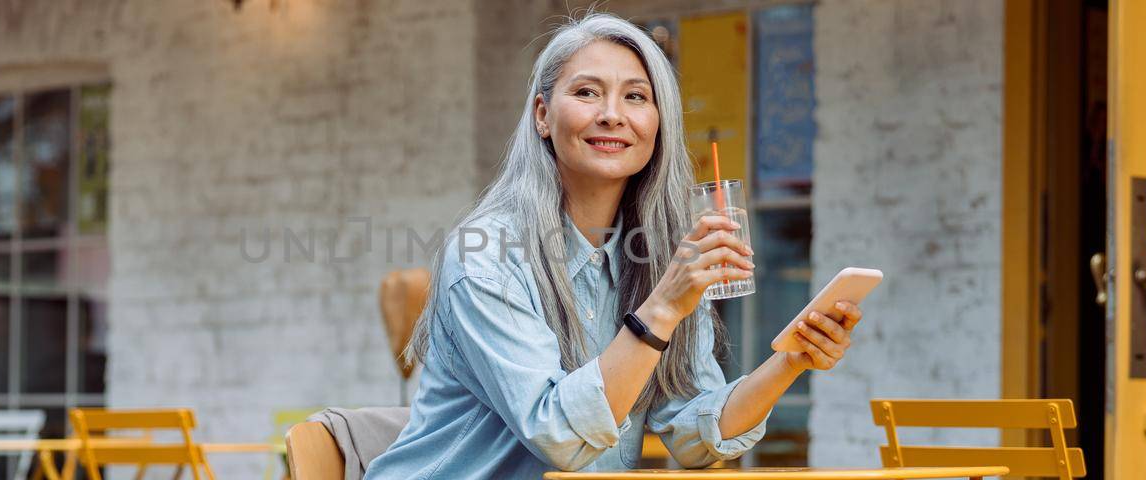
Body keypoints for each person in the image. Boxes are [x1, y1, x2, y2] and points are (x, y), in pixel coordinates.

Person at [364, 12, 863, 479]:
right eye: (586, 92)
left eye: (636, 97)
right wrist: (664, 307)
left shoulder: (660, 258)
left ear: (658, 123)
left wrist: (791, 360)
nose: (611, 115)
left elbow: (694, 436)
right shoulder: (486, 255)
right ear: (542, 115)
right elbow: (558, 434)